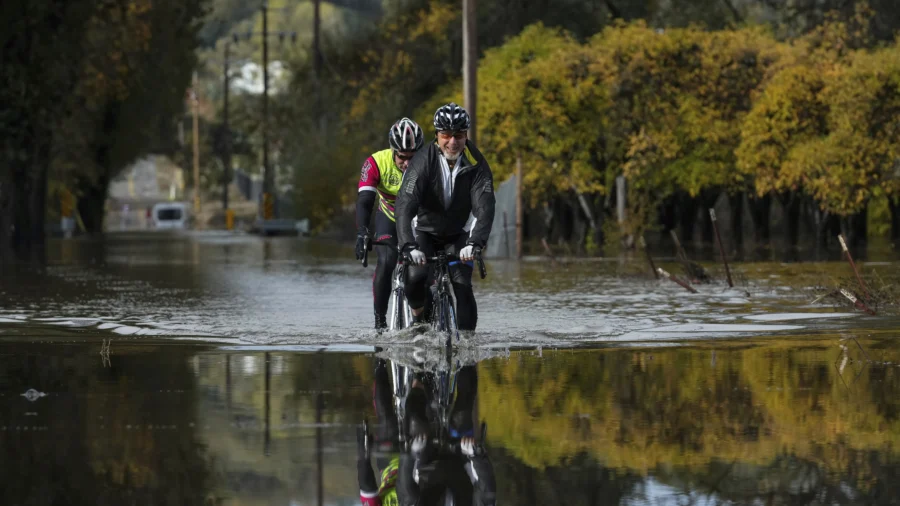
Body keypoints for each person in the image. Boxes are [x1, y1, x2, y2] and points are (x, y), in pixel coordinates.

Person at [394, 103, 495, 330]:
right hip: (425, 231)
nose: (452, 142)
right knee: (417, 277)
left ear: (466, 135)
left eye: (458, 135)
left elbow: (485, 207)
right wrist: (409, 245)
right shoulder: (421, 161)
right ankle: (419, 319)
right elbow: (405, 205)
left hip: (459, 233)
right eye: (446, 135)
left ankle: (467, 352)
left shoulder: (477, 164)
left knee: (462, 286)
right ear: (437, 135)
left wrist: (475, 242)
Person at [357, 360, 496, 506]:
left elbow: (405, 492)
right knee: (462, 413)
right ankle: (469, 355)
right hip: (460, 461)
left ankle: (416, 373)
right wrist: (477, 455)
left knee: (413, 419)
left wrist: (409, 454)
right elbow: (487, 494)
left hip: (425, 467)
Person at [356, 118, 425, 331]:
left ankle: (424, 319)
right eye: (402, 158)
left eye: (412, 158)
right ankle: (380, 324)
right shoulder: (376, 163)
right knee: (386, 262)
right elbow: (365, 201)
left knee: (426, 270)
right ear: (393, 151)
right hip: (390, 217)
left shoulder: (430, 163)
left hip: (419, 219)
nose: (407, 163)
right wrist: (362, 233)